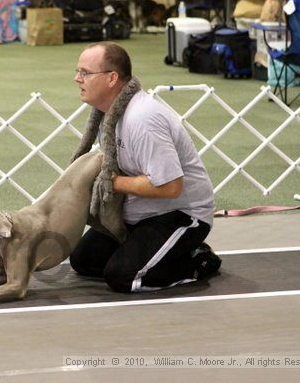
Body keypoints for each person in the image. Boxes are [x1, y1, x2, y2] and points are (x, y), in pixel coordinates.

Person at [69, 41, 221, 293]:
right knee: (83, 260)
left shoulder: (143, 118)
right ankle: (157, 252)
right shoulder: (107, 114)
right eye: (77, 71)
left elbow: (171, 186)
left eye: (85, 72)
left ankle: (197, 259)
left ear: (111, 78)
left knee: (122, 276)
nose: (77, 78)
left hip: (181, 213)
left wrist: (112, 183)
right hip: (138, 213)